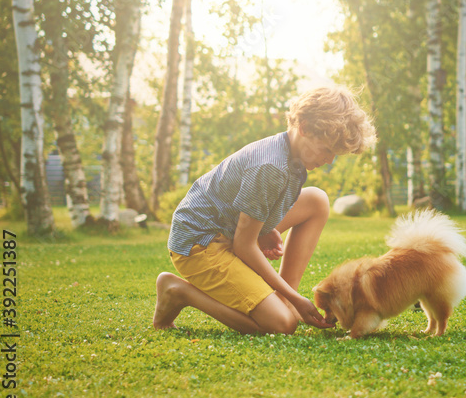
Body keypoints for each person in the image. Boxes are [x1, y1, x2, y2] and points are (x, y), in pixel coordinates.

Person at [152, 86, 377, 334]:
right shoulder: (271, 167)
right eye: (327, 150)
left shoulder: (292, 153)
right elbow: (243, 245)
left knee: (317, 200)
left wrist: (265, 227)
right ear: (303, 128)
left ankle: (281, 302)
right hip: (199, 244)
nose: (329, 160)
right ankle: (178, 292)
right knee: (282, 325)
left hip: (228, 229)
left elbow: (253, 208)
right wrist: (296, 298)